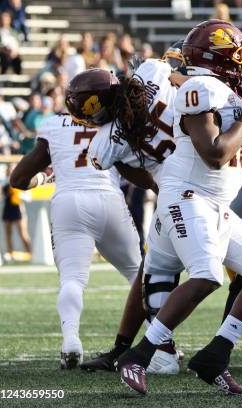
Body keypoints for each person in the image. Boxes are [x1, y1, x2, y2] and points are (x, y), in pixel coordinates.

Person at [117, 20, 242, 396]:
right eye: (238, 56)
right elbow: (214, 153)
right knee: (207, 274)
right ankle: (138, 354)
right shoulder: (199, 86)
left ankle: (216, 353)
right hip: (187, 194)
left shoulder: (236, 91)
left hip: (217, 203)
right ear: (219, 59)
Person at [9, 71, 143, 369]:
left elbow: (18, 178)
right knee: (142, 276)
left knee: (72, 279)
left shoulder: (54, 124)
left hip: (68, 202)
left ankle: (71, 341)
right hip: (109, 199)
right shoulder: (118, 123)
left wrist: (46, 176)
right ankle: (162, 348)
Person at [77, 47, 184, 374]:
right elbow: (174, 75)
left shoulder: (105, 142)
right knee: (154, 272)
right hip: (207, 168)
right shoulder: (150, 71)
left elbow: (121, 166)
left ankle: (154, 350)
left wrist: (156, 184)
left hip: (182, 190)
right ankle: (129, 348)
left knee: (167, 274)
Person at [1, 163, 31, 262]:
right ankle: (10, 255)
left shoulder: (21, 181)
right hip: (7, 208)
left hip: (18, 209)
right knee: (8, 233)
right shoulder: (4, 182)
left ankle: (30, 253)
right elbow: (0, 196)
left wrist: (19, 195)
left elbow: (29, 197)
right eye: (9, 169)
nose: (11, 171)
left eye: (13, 169)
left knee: (23, 233)